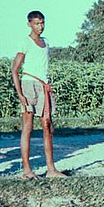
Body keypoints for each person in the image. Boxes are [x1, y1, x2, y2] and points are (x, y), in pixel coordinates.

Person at [11, 11, 66, 180]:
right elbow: (14, 70)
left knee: (47, 126)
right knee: (28, 126)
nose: (40, 26)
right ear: (29, 24)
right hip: (29, 85)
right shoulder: (25, 42)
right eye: (36, 23)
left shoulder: (46, 42)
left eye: (42, 23)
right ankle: (27, 170)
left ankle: (51, 169)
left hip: (44, 86)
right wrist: (20, 94)